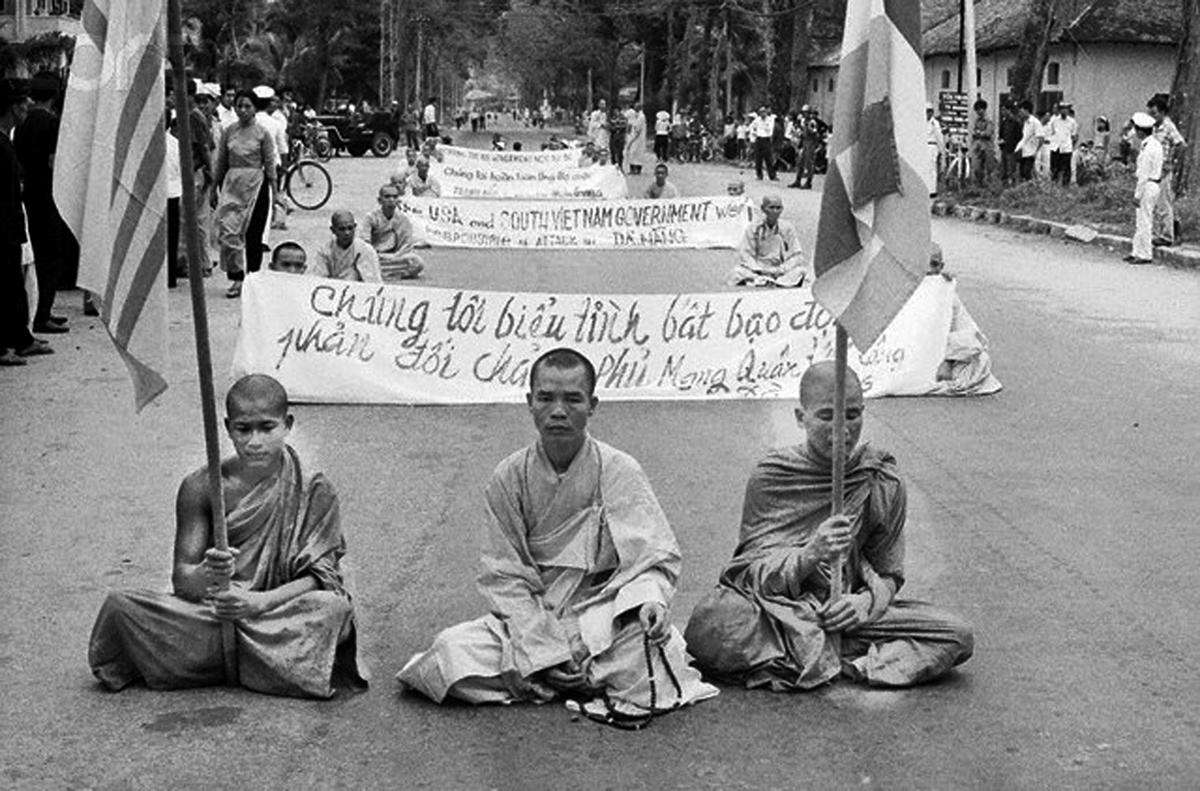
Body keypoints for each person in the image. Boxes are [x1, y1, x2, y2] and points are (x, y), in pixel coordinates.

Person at [397, 349, 718, 724]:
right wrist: (544, 651)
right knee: (449, 656)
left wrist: (650, 603)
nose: (559, 410)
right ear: (529, 403)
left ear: (592, 405)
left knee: (652, 644)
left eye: (573, 399)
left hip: (601, 615)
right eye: (546, 398)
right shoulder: (509, 477)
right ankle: (573, 676)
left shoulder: (619, 470)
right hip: (536, 617)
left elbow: (651, 559)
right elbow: (504, 576)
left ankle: (550, 678)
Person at [685, 362, 975, 690]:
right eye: (826, 416)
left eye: (852, 415)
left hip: (847, 611)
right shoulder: (772, 475)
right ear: (800, 417)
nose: (841, 430)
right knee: (712, 625)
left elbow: (889, 573)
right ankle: (834, 653)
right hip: (779, 611)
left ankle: (827, 658)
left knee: (956, 634)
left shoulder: (880, 477)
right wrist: (810, 554)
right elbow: (746, 575)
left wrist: (864, 604)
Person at [89, 375, 367, 698]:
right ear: (227, 427)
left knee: (332, 610)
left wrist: (258, 602)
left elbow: (321, 578)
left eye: (267, 428)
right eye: (243, 429)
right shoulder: (201, 487)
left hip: (277, 608)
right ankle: (272, 664)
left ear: (287, 424)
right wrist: (208, 574)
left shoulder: (314, 489)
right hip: (218, 612)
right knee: (120, 608)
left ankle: (207, 661)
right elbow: (183, 581)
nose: (254, 441)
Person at [2, 77, 53, 366]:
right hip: (4, 230)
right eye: (23, 101)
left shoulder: (8, 141)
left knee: (15, 286)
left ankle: (21, 339)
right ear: (12, 107)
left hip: (12, 227)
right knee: (6, 288)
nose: (29, 105)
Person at [213, 88, 276, 299]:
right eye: (239, 105)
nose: (242, 109)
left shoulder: (262, 133)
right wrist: (213, 187)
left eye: (247, 106)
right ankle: (236, 277)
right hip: (232, 186)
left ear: (255, 108)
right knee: (229, 232)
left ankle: (253, 280)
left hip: (256, 186)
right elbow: (221, 161)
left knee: (253, 236)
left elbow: (270, 163)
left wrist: (276, 194)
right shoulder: (229, 131)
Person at [926, 244, 1002, 396]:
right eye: (923, 263)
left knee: (980, 361)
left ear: (941, 267)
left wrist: (948, 361)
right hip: (914, 351)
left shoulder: (946, 294)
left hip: (945, 352)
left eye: (934, 264)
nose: (928, 270)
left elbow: (969, 333)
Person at [728, 194, 807, 288]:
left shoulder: (788, 228)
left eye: (778, 208)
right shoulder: (753, 228)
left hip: (780, 270)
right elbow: (746, 253)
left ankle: (771, 282)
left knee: (801, 271)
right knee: (737, 272)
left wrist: (782, 269)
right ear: (763, 209)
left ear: (782, 209)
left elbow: (796, 255)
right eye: (771, 208)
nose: (775, 211)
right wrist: (758, 269)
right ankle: (766, 281)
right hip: (759, 269)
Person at [1147, 95, 1186, 247]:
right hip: (1154, 170)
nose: (1153, 117)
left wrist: (1172, 163)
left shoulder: (1168, 127)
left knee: (1164, 203)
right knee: (1156, 202)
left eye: (1155, 113)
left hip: (1164, 170)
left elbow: (1181, 144)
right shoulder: (1154, 128)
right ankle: (1163, 231)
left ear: (1163, 113)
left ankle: (1167, 235)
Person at [363, 183, 424, 280]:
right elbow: (365, 244)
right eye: (387, 197)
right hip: (377, 256)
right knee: (364, 262)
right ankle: (392, 273)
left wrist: (394, 256)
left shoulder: (403, 219)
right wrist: (378, 255)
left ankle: (381, 273)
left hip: (395, 257)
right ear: (379, 200)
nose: (391, 200)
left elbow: (407, 245)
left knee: (417, 262)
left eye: (394, 197)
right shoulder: (371, 217)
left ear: (398, 200)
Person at [1126, 112, 1163, 266]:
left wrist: (1137, 194)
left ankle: (1145, 254)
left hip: (1148, 185)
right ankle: (1136, 251)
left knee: (1145, 220)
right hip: (1150, 184)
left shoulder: (1149, 148)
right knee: (1140, 220)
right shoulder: (1151, 144)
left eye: (1136, 129)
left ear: (1141, 130)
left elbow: (1144, 174)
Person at [311, 210, 381, 282]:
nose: (347, 233)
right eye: (342, 229)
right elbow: (318, 278)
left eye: (350, 228)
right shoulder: (325, 251)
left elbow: (373, 281)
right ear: (333, 230)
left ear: (355, 227)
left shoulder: (366, 250)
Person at [1044, 102, 1078, 186]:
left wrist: (1071, 146)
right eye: (1062, 109)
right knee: (1054, 168)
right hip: (1056, 147)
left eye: (1066, 109)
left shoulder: (1072, 122)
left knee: (1066, 168)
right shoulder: (1054, 120)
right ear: (1060, 110)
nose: (1064, 111)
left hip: (1066, 148)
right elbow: (1050, 132)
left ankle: (1065, 185)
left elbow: (1074, 136)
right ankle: (1054, 184)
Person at [1014, 100, 1043, 183]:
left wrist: (1036, 152)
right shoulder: (1025, 123)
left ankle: (1031, 189)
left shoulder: (1035, 122)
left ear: (1026, 110)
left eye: (1021, 111)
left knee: (1028, 172)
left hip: (1031, 153)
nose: (1020, 113)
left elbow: (1041, 138)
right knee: (1022, 173)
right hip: (1024, 151)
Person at [969, 99, 996, 188]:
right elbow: (973, 133)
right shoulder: (976, 121)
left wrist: (980, 133)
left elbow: (988, 133)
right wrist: (979, 133)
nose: (978, 112)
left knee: (989, 169)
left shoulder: (989, 120)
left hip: (987, 147)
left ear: (984, 109)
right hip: (977, 147)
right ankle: (979, 186)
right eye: (976, 110)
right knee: (976, 168)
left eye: (979, 109)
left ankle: (990, 188)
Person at [751, 104, 777, 181]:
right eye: (761, 112)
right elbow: (753, 128)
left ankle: (772, 175)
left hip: (766, 139)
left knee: (768, 158)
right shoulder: (756, 120)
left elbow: (770, 129)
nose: (763, 114)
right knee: (758, 158)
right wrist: (754, 137)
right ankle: (759, 175)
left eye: (764, 112)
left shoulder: (769, 120)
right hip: (759, 139)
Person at [998, 103, 1022, 186]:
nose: (1002, 112)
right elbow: (1001, 134)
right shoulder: (1004, 122)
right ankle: (1004, 187)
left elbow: (1019, 137)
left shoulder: (1016, 122)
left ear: (1009, 110)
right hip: (1004, 149)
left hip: (1012, 149)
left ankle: (1012, 187)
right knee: (1003, 170)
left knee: (1011, 170)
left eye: (1004, 110)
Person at [925, 103, 944, 196]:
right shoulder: (921, 122)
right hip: (923, 146)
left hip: (932, 146)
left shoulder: (935, 123)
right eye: (926, 111)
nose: (928, 113)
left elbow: (939, 137)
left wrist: (941, 150)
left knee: (932, 169)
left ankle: (932, 190)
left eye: (929, 111)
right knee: (924, 168)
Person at [623, 102, 647, 175]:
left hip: (638, 137)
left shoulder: (641, 116)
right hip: (633, 136)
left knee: (637, 153)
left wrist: (632, 140)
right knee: (632, 153)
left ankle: (638, 169)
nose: (635, 108)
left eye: (637, 107)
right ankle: (632, 168)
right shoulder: (635, 115)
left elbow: (638, 129)